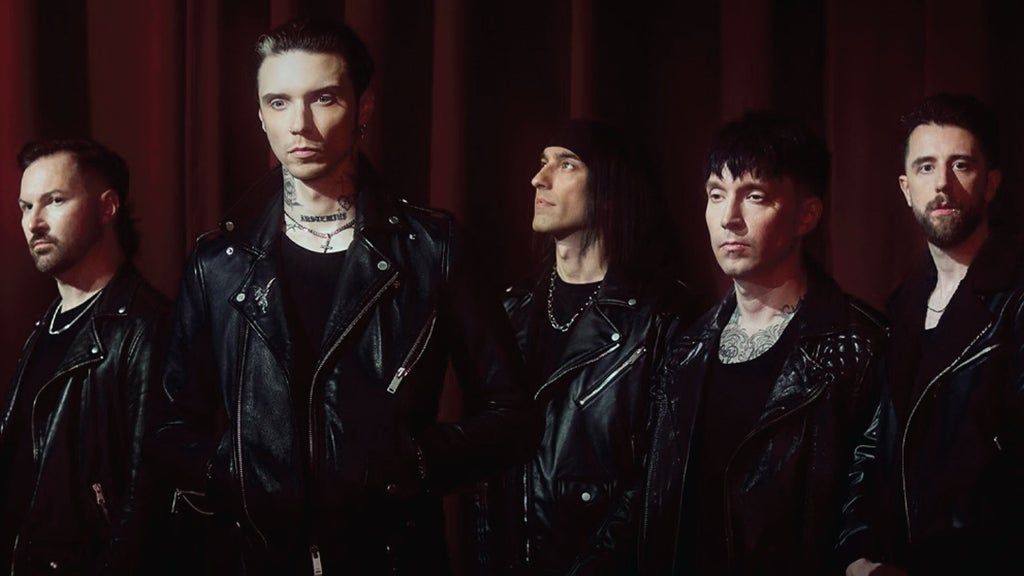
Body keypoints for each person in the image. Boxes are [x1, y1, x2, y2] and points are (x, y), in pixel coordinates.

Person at [152, 17, 535, 574]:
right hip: (260, 558)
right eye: (279, 102)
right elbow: (168, 426)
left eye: (324, 99)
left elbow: (513, 416)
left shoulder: (432, 248)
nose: (299, 125)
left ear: (364, 107)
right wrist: (236, 475)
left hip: (394, 557)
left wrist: (413, 461)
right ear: (260, 115)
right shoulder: (219, 262)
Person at [639, 112, 885, 575]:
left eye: (754, 196)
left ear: (807, 215)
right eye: (716, 194)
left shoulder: (859, 346)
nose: (729, 219)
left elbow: (868, 500)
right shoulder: (683, 348)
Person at [473, 120, 692, 575]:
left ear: (610, 190)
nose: (539, 178)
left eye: (567, 164)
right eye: (543, 162)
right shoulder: (511, 310)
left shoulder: (660, 317)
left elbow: (660, 480)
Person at [839, 93, 1024, 576]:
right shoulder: (903, 304)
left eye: (960, 165)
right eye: (925, 167)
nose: (942, 183)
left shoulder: (1016, 298)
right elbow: (872, 444)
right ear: (906, 188)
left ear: (991, 184)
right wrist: (857, 552)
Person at [0, 139, 170, 574]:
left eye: (55, 201)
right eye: (25, 207)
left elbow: (146, 501)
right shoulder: (47, 326)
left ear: (107, 207)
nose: (34, 223)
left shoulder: (144, 328)